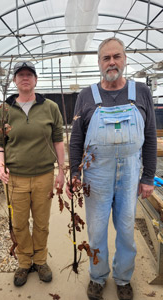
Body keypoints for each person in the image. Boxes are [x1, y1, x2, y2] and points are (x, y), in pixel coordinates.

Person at [66, 37, 157, 300]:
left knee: (126, 229)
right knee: (96, 230)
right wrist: (74, 173)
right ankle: (97, 276)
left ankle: (123, 277)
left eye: (117, 56)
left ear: (125, 59)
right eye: (106, 58)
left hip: (129, 174)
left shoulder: (140, 92)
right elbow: (76, 139)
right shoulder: (86, 96)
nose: (112, 62)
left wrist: (148, 176)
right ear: (99, 63)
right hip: (96, 175)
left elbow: (149, 135)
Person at [0, 61, 65, 287]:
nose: (25, 78)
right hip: (16, 178)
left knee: (42, 222)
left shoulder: (50, 107)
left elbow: (58, 140)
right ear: (15, 80)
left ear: (35, 80)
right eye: (20, 74)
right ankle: (24, 262)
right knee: (20, 223)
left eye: (29, 74)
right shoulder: (4, 110)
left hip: (44, 176)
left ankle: (41, 260)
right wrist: (0, 165)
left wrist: (61, 171)